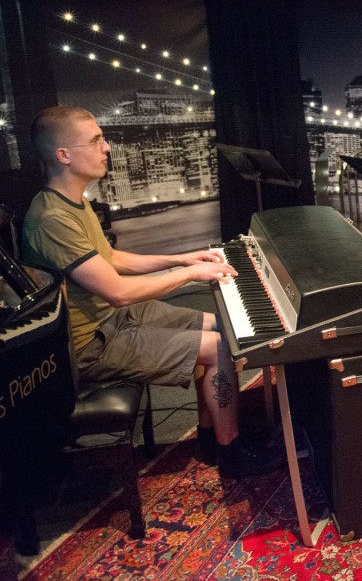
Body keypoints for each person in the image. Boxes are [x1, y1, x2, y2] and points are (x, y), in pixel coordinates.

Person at [21, 105, 284, 479]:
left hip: (112, 320)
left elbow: (111, 258)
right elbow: (119, 292)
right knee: (220, 348)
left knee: (223, 327)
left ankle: (210, 437)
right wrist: (190, 275)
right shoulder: (52, 219)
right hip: (89, 343)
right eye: (96, 140)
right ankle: (232, 453)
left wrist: (181, 259)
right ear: (63, 155)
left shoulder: (73, 200)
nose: (107, 147)